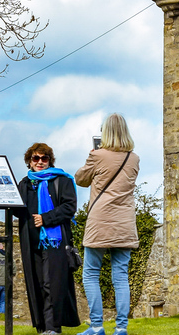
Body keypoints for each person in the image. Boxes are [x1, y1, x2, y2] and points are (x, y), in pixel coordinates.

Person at [76, 113, 140, 335]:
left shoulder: (98, 156)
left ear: (105, 132)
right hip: (124, 223)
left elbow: (80, 179)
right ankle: (121, 328)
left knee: (91, 273)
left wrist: (92, 157)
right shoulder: (134, 158)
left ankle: (96, 326)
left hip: (100, 222)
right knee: (120, 276)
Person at [16, 143, 81, 335]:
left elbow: (69, 207)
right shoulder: (25, 183)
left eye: (44, 158)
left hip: (55, 241)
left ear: (49, 161)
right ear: (29, 161)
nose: (40, 162)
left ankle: (53, 328)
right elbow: (19, 212)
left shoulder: (62, 180)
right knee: (36, 283)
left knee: (51, 283)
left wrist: (46, 218)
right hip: (31, 241)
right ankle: (42, 327)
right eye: (36, 158)